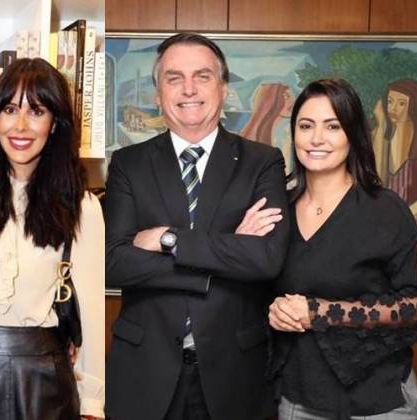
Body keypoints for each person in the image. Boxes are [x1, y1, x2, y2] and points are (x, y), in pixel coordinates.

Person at [105, 32, 290, 420]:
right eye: (174, 78)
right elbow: (115, 263)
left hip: (234, 374)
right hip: (144, 373)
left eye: (202, 76)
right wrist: (224, 253)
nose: (188, 89)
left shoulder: (262, 162)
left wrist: (168, 239)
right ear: (158, 93)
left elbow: (266, 259)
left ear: (223, 89)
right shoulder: (128, 163)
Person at [0, 58, 105, 420]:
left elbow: (92, 314)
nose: (21, 125)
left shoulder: (82, 205)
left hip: (41, 385)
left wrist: (92, 403)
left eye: (37, 111)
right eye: (10, 109)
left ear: (55, 123)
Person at [269, 78, 417, 419]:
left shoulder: (386, 210)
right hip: (298, 398)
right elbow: (258, 287)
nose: (316, 138)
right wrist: (273, 309)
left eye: (332, 126)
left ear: (352, 134)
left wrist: (323, 312)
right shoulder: (277, 210)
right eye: (306, 126)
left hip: (378, 401)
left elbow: (414, 305)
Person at [372, 79, 417, 220]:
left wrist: (402, 218)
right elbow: (376, 182)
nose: (393, 108)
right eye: (390, 101)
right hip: (383, 219)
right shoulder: (380, 137)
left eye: (401, 104)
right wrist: (381, 127)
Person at [240, 82, 294, 173]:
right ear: (269, 101)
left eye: (292, 96)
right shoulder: (248, 143)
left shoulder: (287, 134)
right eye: (286, 96)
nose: (292, 101)